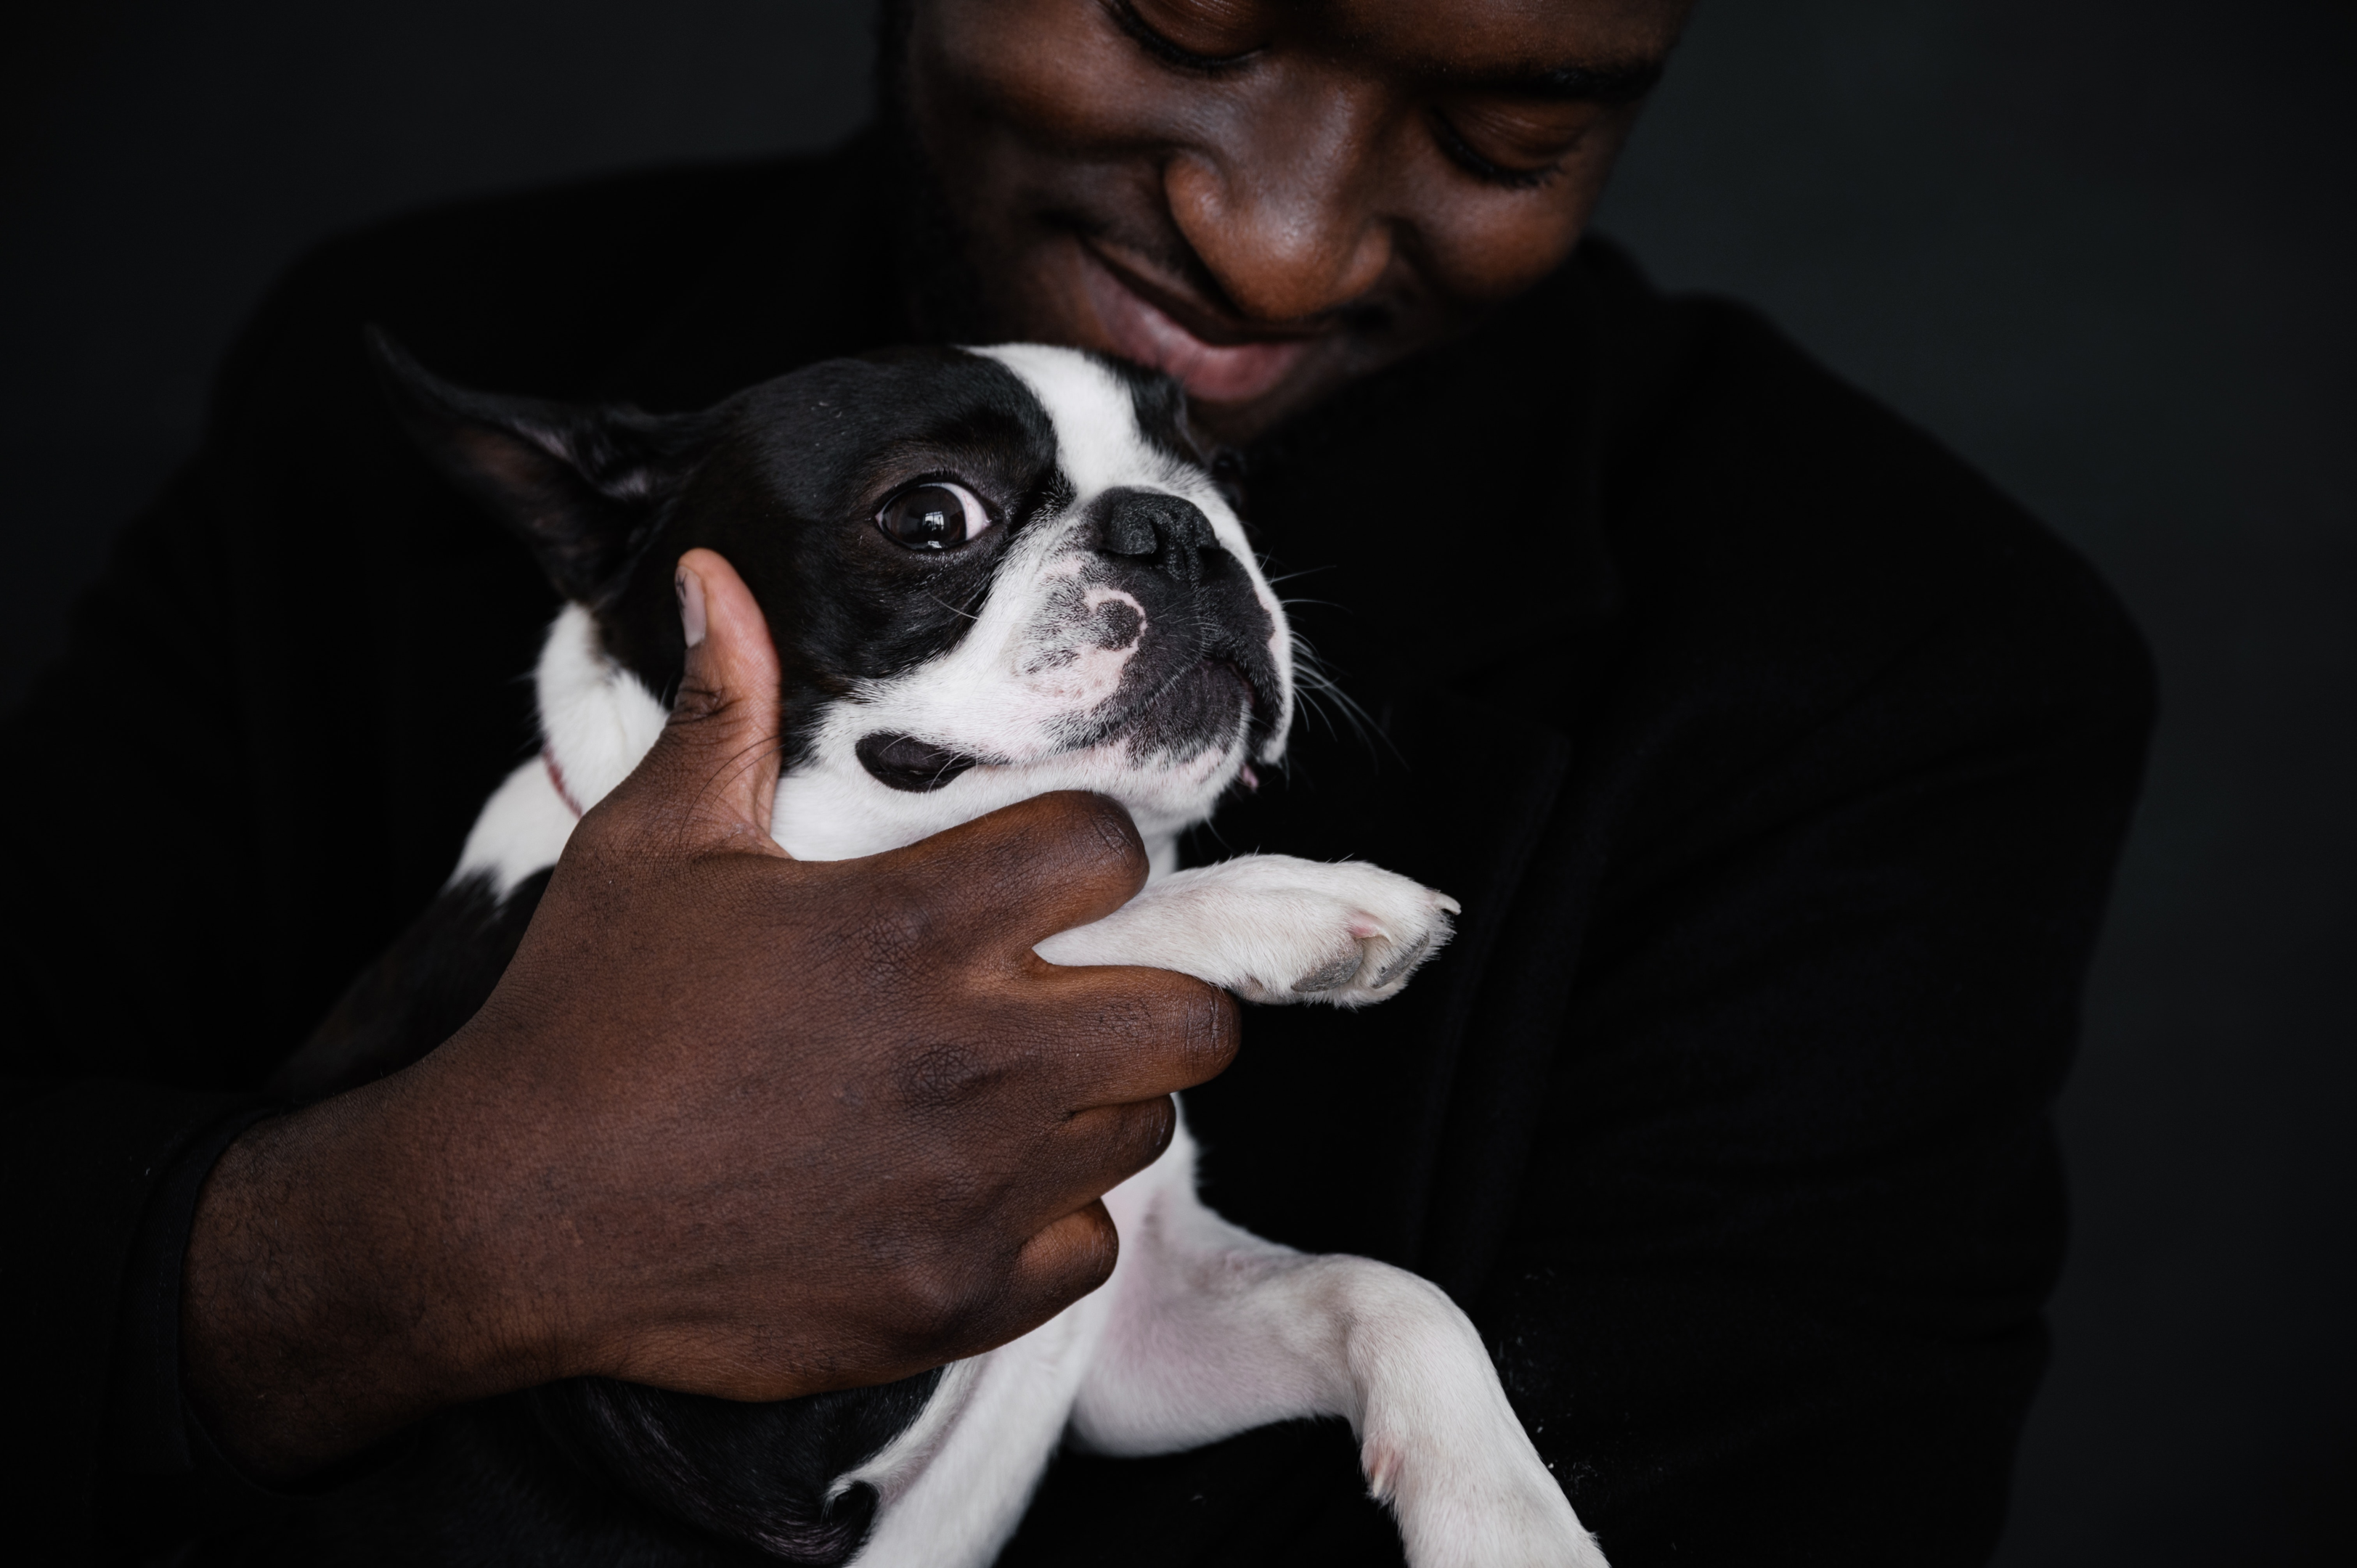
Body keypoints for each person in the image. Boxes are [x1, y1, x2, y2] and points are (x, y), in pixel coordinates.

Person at [1, 0, 2154, 1562]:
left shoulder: (1916, 656)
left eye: (1508, 129)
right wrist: (386, 1246)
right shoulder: (390, 363)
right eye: (1178, 16)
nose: (1278, 245)